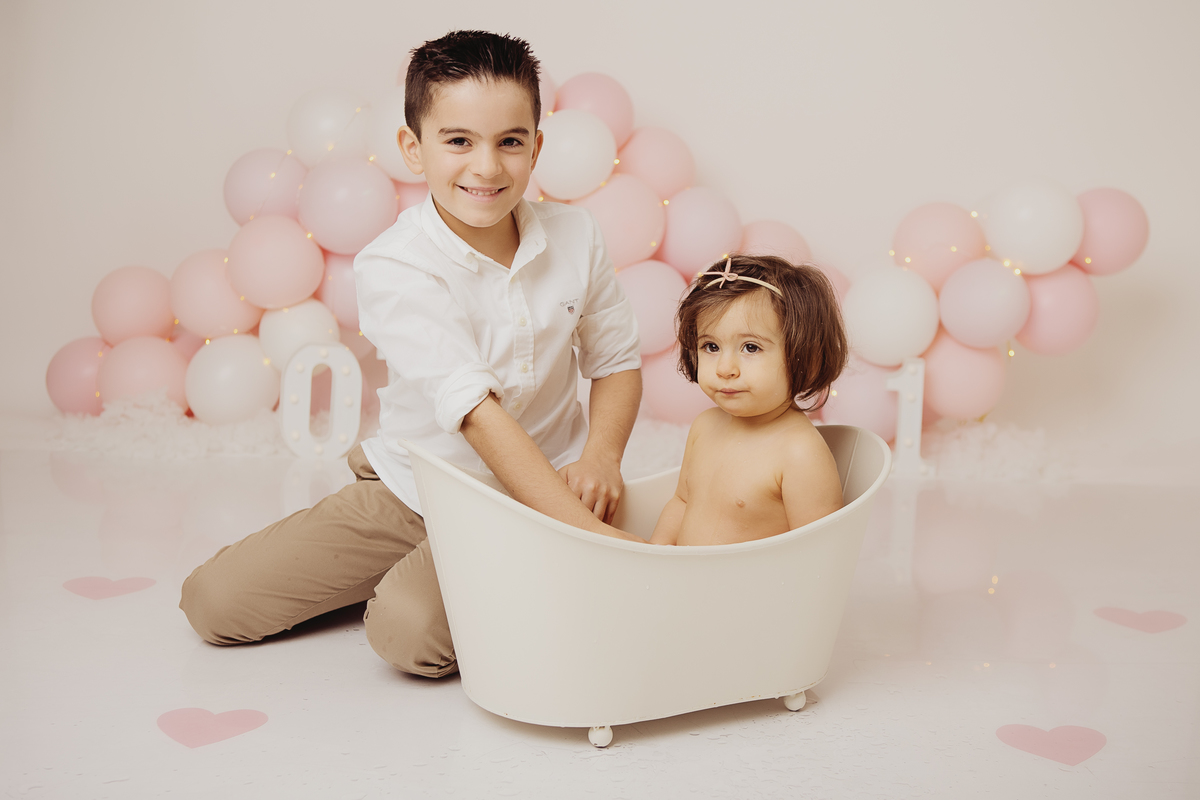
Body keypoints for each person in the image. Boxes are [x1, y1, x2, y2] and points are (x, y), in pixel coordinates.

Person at [180, 30, 644, 678]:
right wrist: (594, 542)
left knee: (409, 634)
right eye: (458, 141)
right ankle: (445, 566)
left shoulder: (577, 235)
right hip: (414, 488)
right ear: (412, 148)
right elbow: (475, 414)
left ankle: (495, 566)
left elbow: (616, 361)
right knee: (212, 602)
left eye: (510, 142)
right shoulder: (394, 265)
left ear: (537, 148)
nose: (487, 168)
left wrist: (599, 460)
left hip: (537, 494)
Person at [648, 255, 848, 547]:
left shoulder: (799, 453)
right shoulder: (705, 426)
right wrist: (658, 551)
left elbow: (819, 552)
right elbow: (682, 501)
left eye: (750, 347)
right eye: (711, 346)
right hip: (685, 575)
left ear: (805, 357)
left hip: (753, 579)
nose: (725, 368)